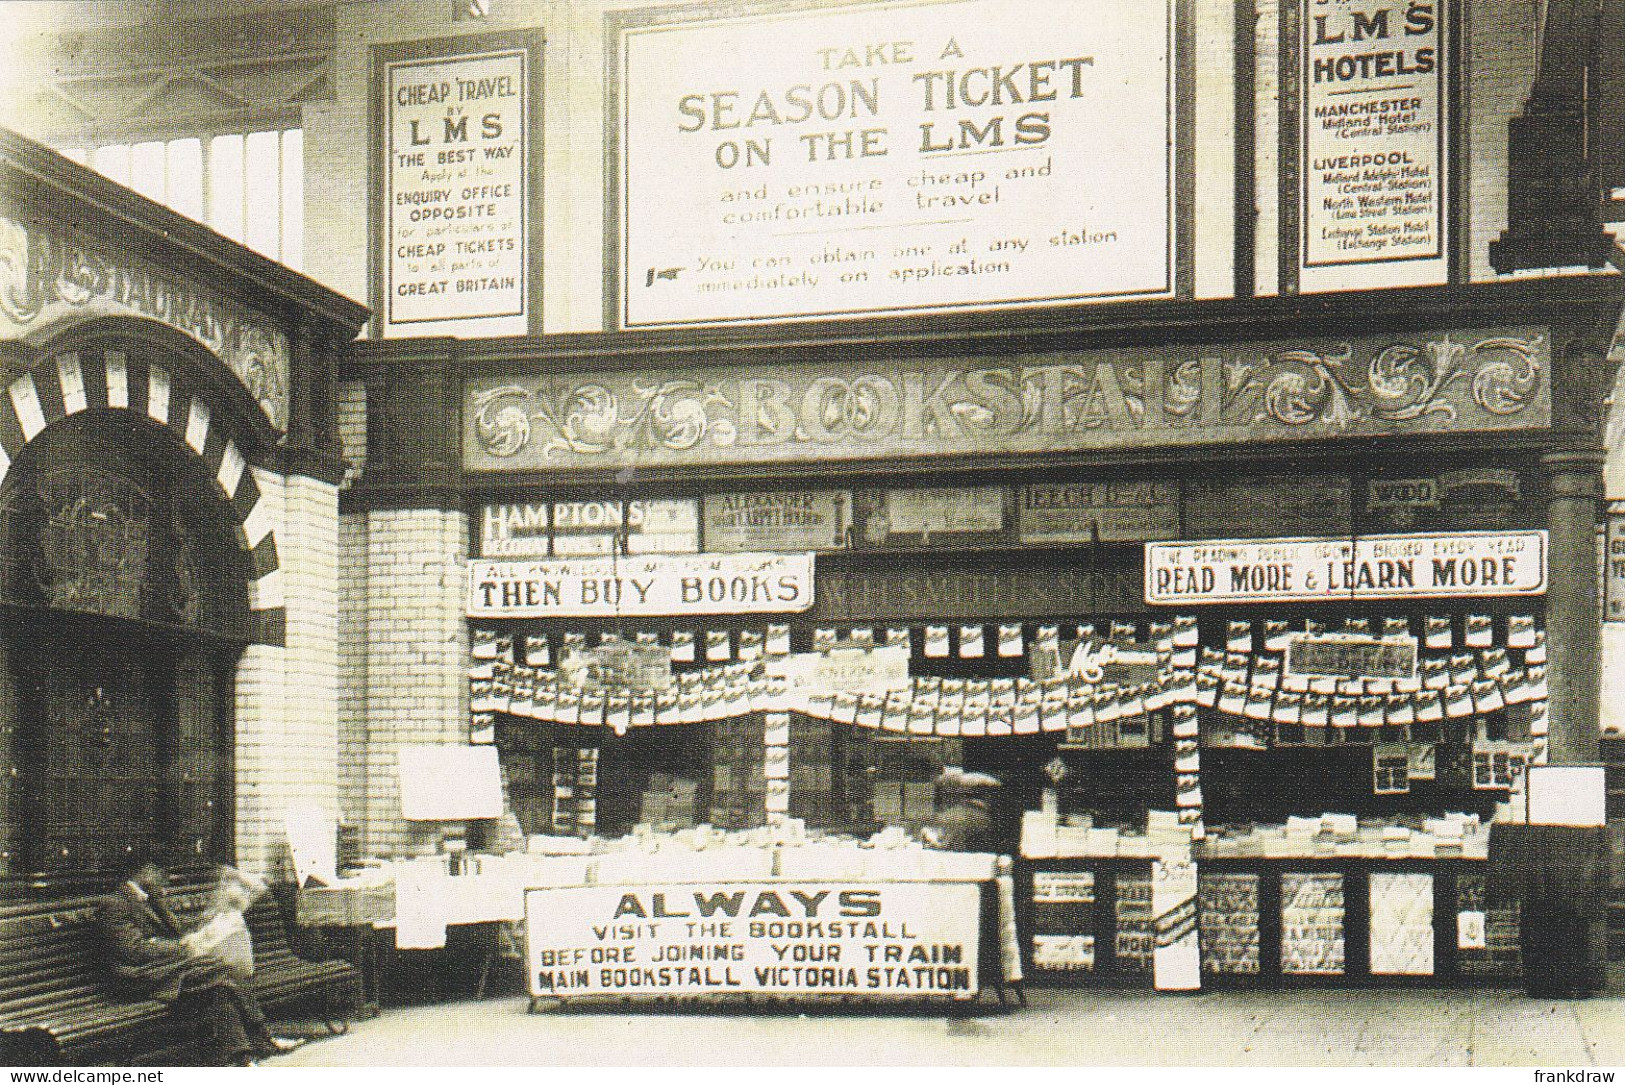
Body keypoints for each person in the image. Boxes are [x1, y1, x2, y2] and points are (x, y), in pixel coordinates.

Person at [97, 854, 305, 1066]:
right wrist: (181, 947)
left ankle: (244, 1056)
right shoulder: (114, 904)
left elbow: (177, 929)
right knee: (220, 973)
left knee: (220, 984)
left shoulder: (149, 898)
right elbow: (133, 949)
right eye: (160, 873)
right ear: (145, 872)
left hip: (165, 969)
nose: (164, 878)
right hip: (138, 977)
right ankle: (263, 1039)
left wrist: (201, 921)